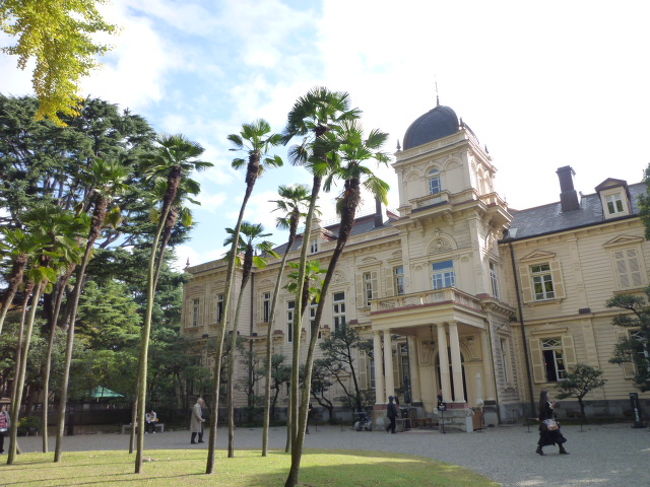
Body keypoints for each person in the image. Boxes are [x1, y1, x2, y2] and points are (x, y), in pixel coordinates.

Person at [536, 390, 568, 455]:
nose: (549, 395)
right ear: (545, 395)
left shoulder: (542, 403)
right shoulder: (546, 403)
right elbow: (548, 412)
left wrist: (540, 418)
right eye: (548, 394)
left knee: (553, 435)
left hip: (547, 422)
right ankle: (539, 449)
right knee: (555, 434)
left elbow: (542, 414)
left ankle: (561, 449)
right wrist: (553, 405)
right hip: (548, 422)